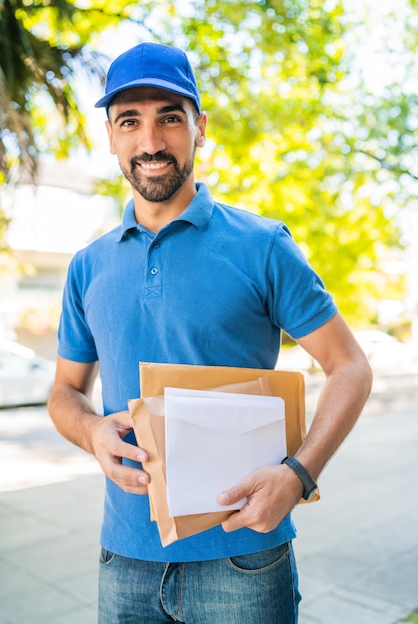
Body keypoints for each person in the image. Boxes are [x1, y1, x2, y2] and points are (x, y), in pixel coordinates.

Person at [48, 42, 372, 624]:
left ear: (200, 128)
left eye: (169, 117)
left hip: (243, 560)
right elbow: (63, 393)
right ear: (111, 138)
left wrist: (299, 476)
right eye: (130, 122)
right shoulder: (86, 266)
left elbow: (350, 367)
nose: (150, 141)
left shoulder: (262, 246)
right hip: (124, 561)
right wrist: (92, 430)